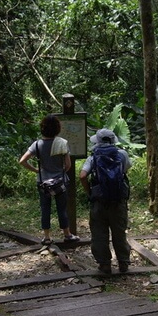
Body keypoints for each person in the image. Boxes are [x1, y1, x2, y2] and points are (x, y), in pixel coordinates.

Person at [19, 114, 80, 245]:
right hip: (60, 182)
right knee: (61, 209)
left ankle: (46, 237)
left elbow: (22, 161)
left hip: (43, 182)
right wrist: (60, 170)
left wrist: (36, 170)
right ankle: (67, 235)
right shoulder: (62, 143)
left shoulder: (36, 145)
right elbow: (68, 165)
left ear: (42, 128)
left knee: (45, 208)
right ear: (57, 129)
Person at [79, 128, 132, 274]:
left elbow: (83, 176)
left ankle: (105, 264)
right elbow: (125, 170)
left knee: (99, 233)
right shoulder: (122, 154)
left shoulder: (93, 157)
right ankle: (123, 263)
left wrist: (90, 192)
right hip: (118, 200)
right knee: (119, 232)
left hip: (99, 201)